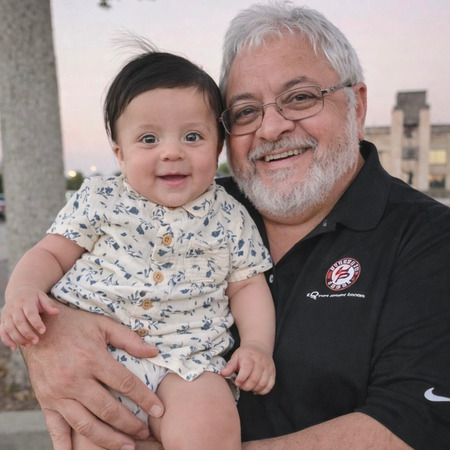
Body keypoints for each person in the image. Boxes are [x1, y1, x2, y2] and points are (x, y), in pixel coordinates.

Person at [6, 1, 450, 449]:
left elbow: (416, 423)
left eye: (300, 97)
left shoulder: (431, 240)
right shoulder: (194, 195)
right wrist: (47, 338)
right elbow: (51, 263)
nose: (272, 128)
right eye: (245, 111)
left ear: (357, 105)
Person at [0, 48, 276, 450]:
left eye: (193, 136)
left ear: (218, 146)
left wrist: (256, 346)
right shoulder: (100, 199)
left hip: (188, 363)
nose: (172, 151)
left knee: (211, 426)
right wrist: (23, 291)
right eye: (149, 139)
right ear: (120, 153)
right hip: (95, 361)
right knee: (92, 436)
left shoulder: (231, 215)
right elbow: (51, 254)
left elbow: (248, 285)